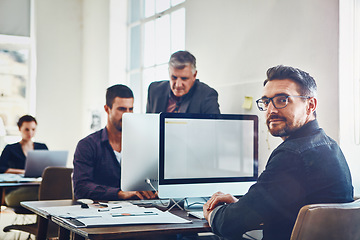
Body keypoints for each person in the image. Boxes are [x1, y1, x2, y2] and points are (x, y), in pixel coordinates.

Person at [203, 65, 354, 240]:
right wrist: (242, 205)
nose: (271, 110)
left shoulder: (291, 155)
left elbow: (229, 224)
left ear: (310, 105)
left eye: (282, 100)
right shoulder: (330, 147)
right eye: (266, 102)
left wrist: (212, 211)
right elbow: (283, 207)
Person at [73, 84, 157, 201]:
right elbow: (81, 188)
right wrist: (119, 193)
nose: (127, 114)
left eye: (131, 109)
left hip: (139, 208)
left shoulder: (143, 144)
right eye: (122, 109)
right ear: (107, 109)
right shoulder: (87, 145)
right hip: (100, 211)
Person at [146, 50, 220, 114]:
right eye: (174, 78)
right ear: (169, 72)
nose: (178, 85)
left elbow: (214, 129)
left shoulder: (207, 95)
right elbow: (149, 125)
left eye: (184, 78)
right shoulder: (154, 91)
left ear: (194, 75)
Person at [0, 115, 48, 207]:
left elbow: (48, 168)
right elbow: (1, 168)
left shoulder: (42, 147)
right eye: (27, 129)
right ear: (19, 129)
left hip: (38, 185)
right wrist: (23, 172)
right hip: (17, 189)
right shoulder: (10, 149)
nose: (30, 133)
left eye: (33, 129)